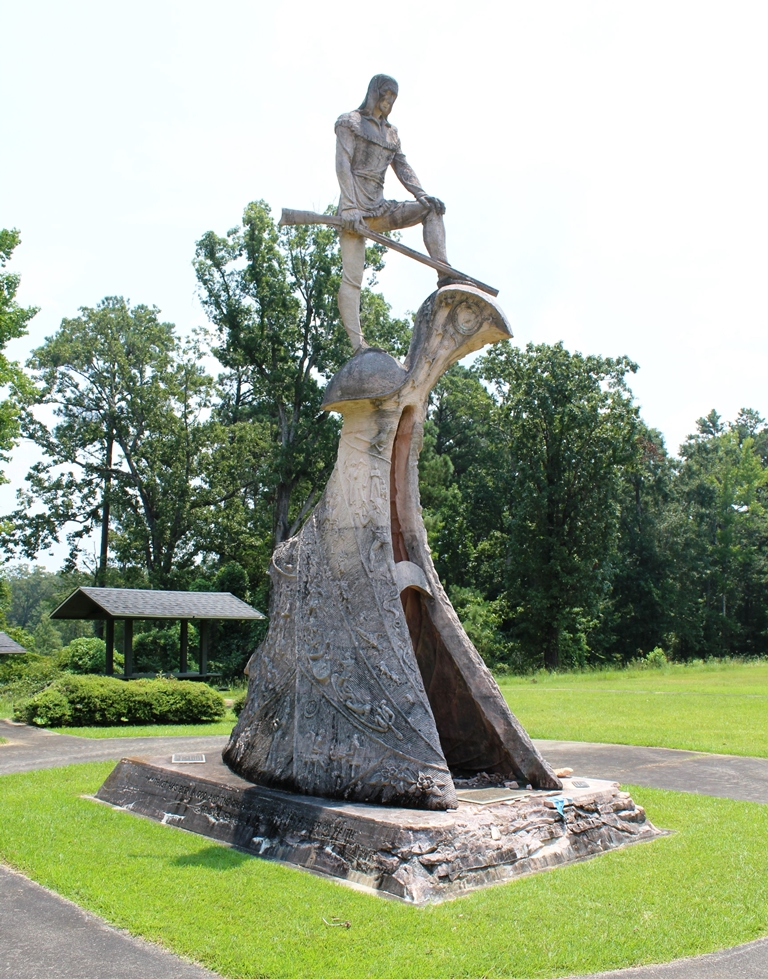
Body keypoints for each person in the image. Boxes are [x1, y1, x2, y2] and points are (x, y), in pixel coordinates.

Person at [335, 74, 454, 351]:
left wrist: (421, 195)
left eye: (393, 98)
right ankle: (358, 345)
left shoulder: (391, 134)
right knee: (352, 278)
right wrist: (350, 207)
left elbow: (402, 165)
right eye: (385, 95)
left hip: (381, 207)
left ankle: (444, 273)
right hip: (354, 212)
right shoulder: (349, 122)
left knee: (430, 211)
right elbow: (343, 164)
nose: (388, 102)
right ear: (374, 93)